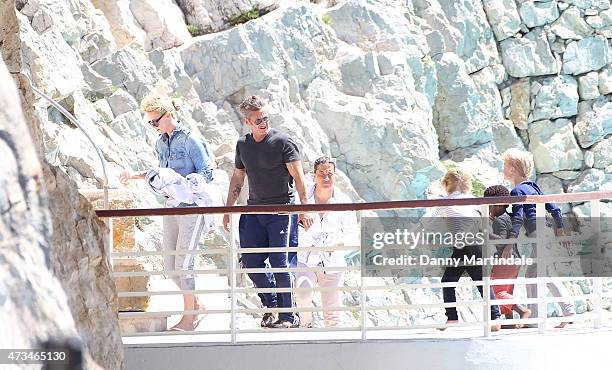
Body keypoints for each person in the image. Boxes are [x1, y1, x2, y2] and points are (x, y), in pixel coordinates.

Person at [119, 93, 215, 331]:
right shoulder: (161, 142)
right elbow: (162, 172)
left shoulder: (192, 140)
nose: (153, 127)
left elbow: (207, 173)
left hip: (192, 208)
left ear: (169, 114)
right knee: (169, 266)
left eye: (156, 121)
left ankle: (189, 318)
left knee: (184, 264)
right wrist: (136, 175)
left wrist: (186, 185)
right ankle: (197, 305)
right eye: (150, 123)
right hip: (171, 206)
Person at [222, 95, 313, 329]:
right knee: (251, 262)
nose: (263, 122)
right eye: (258, 119)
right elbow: (238, 177)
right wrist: (227, 209)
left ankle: (288, 315)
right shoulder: (243, 144)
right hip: (254, 210)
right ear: (247, 122)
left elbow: (298, 176)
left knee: (280, 262)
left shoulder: (283, 142)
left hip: (282, 210)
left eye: (266, 117)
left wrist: (304, 208)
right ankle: (270, 306)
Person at [502, 149, 575, 328]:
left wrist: (509, 243)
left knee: (547, 273)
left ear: (512, 169)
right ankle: (533, 318)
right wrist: (559, 228)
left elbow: (518, 218)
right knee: (532, 275)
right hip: (547, 231)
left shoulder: (517, 191)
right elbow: (554, 209)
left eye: (504, 166)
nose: (502, 170)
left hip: (537, 234)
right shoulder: (533, 186)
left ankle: (568, 309)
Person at [425, 169, 501, 331]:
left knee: (448, 282)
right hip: (477, 245)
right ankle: (495, 317)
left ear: (446, 184)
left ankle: (452, 318)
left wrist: (410, 235)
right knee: (481, 282)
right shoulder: (474, 201)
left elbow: (427, 222)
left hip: (463, 247)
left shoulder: (445, 202)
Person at [294, 156, 358, 328]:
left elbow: (352, 233)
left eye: (330, 174)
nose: (326, 178)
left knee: (332, 309)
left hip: (332, 261)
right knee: (302, 293)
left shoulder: (343, 200)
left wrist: (337, 245)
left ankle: (335, 347)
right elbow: (289, 225)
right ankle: (305, 327)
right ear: (314, 175)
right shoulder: (302, 197)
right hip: (305, 259)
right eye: (321, 173)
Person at [484, 185, 531, 329]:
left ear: (497, 204)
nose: (488, 209)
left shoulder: (499, 220)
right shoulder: (510, 218)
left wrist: (484, 233)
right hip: (515, 261)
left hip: (505, 261)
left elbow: (501, 240)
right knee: (506, 291)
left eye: (488, 205)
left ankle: (522, 310)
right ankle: (508, 321)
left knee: (497, 291)